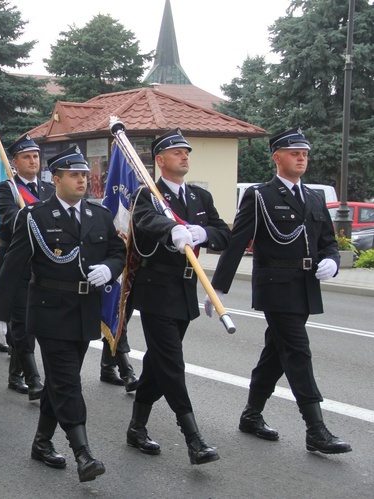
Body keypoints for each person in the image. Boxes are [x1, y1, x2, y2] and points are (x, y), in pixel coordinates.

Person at [206, 127, 352, 455]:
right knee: (298, 352)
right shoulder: (260, 196)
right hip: (276, 287)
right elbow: (236, 242)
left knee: (276, 353)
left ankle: (251, 415)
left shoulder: (314, 197)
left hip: (305, 288)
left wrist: (332, 261)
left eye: (305, 154)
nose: (302, 158)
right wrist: (218, 289)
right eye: (294, 153)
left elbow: (328, 241)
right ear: (277, 157)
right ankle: (316, 429)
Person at [0, 146, 126, 482]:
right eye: (74, 175)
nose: (82, 180)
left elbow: (117, 250)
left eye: (84, 175)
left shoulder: (99, 215)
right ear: (57, 179)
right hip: (49, 313)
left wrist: (109, 269)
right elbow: (13, 265)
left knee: (58, 383)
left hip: (84, 312)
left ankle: (41, 442)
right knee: (68, 383)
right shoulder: (34, 216)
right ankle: (83, 453)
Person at [125, 129, 230, 465]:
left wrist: (203, 232)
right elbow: (146, 221)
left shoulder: (200, 197)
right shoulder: (148, 195)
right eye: (176, 152)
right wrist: (171, 229)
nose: (185, 156)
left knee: (158, 363)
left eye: (186, 152)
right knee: (171, 363)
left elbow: (224, 233)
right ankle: (193, 438)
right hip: (157, 289)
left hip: (185, 289)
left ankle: (136, 427)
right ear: (160, 160)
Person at [0, 135, 54, 399]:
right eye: (26, 157)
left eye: (36, 156)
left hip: (42, 263)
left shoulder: (50, 190)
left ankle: (15, 374)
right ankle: (33, 378)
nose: (33, 161)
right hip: (14, 262)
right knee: (22, 321)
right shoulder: (8, 188)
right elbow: (9, 220)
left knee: (32, 320)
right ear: (14, 162)